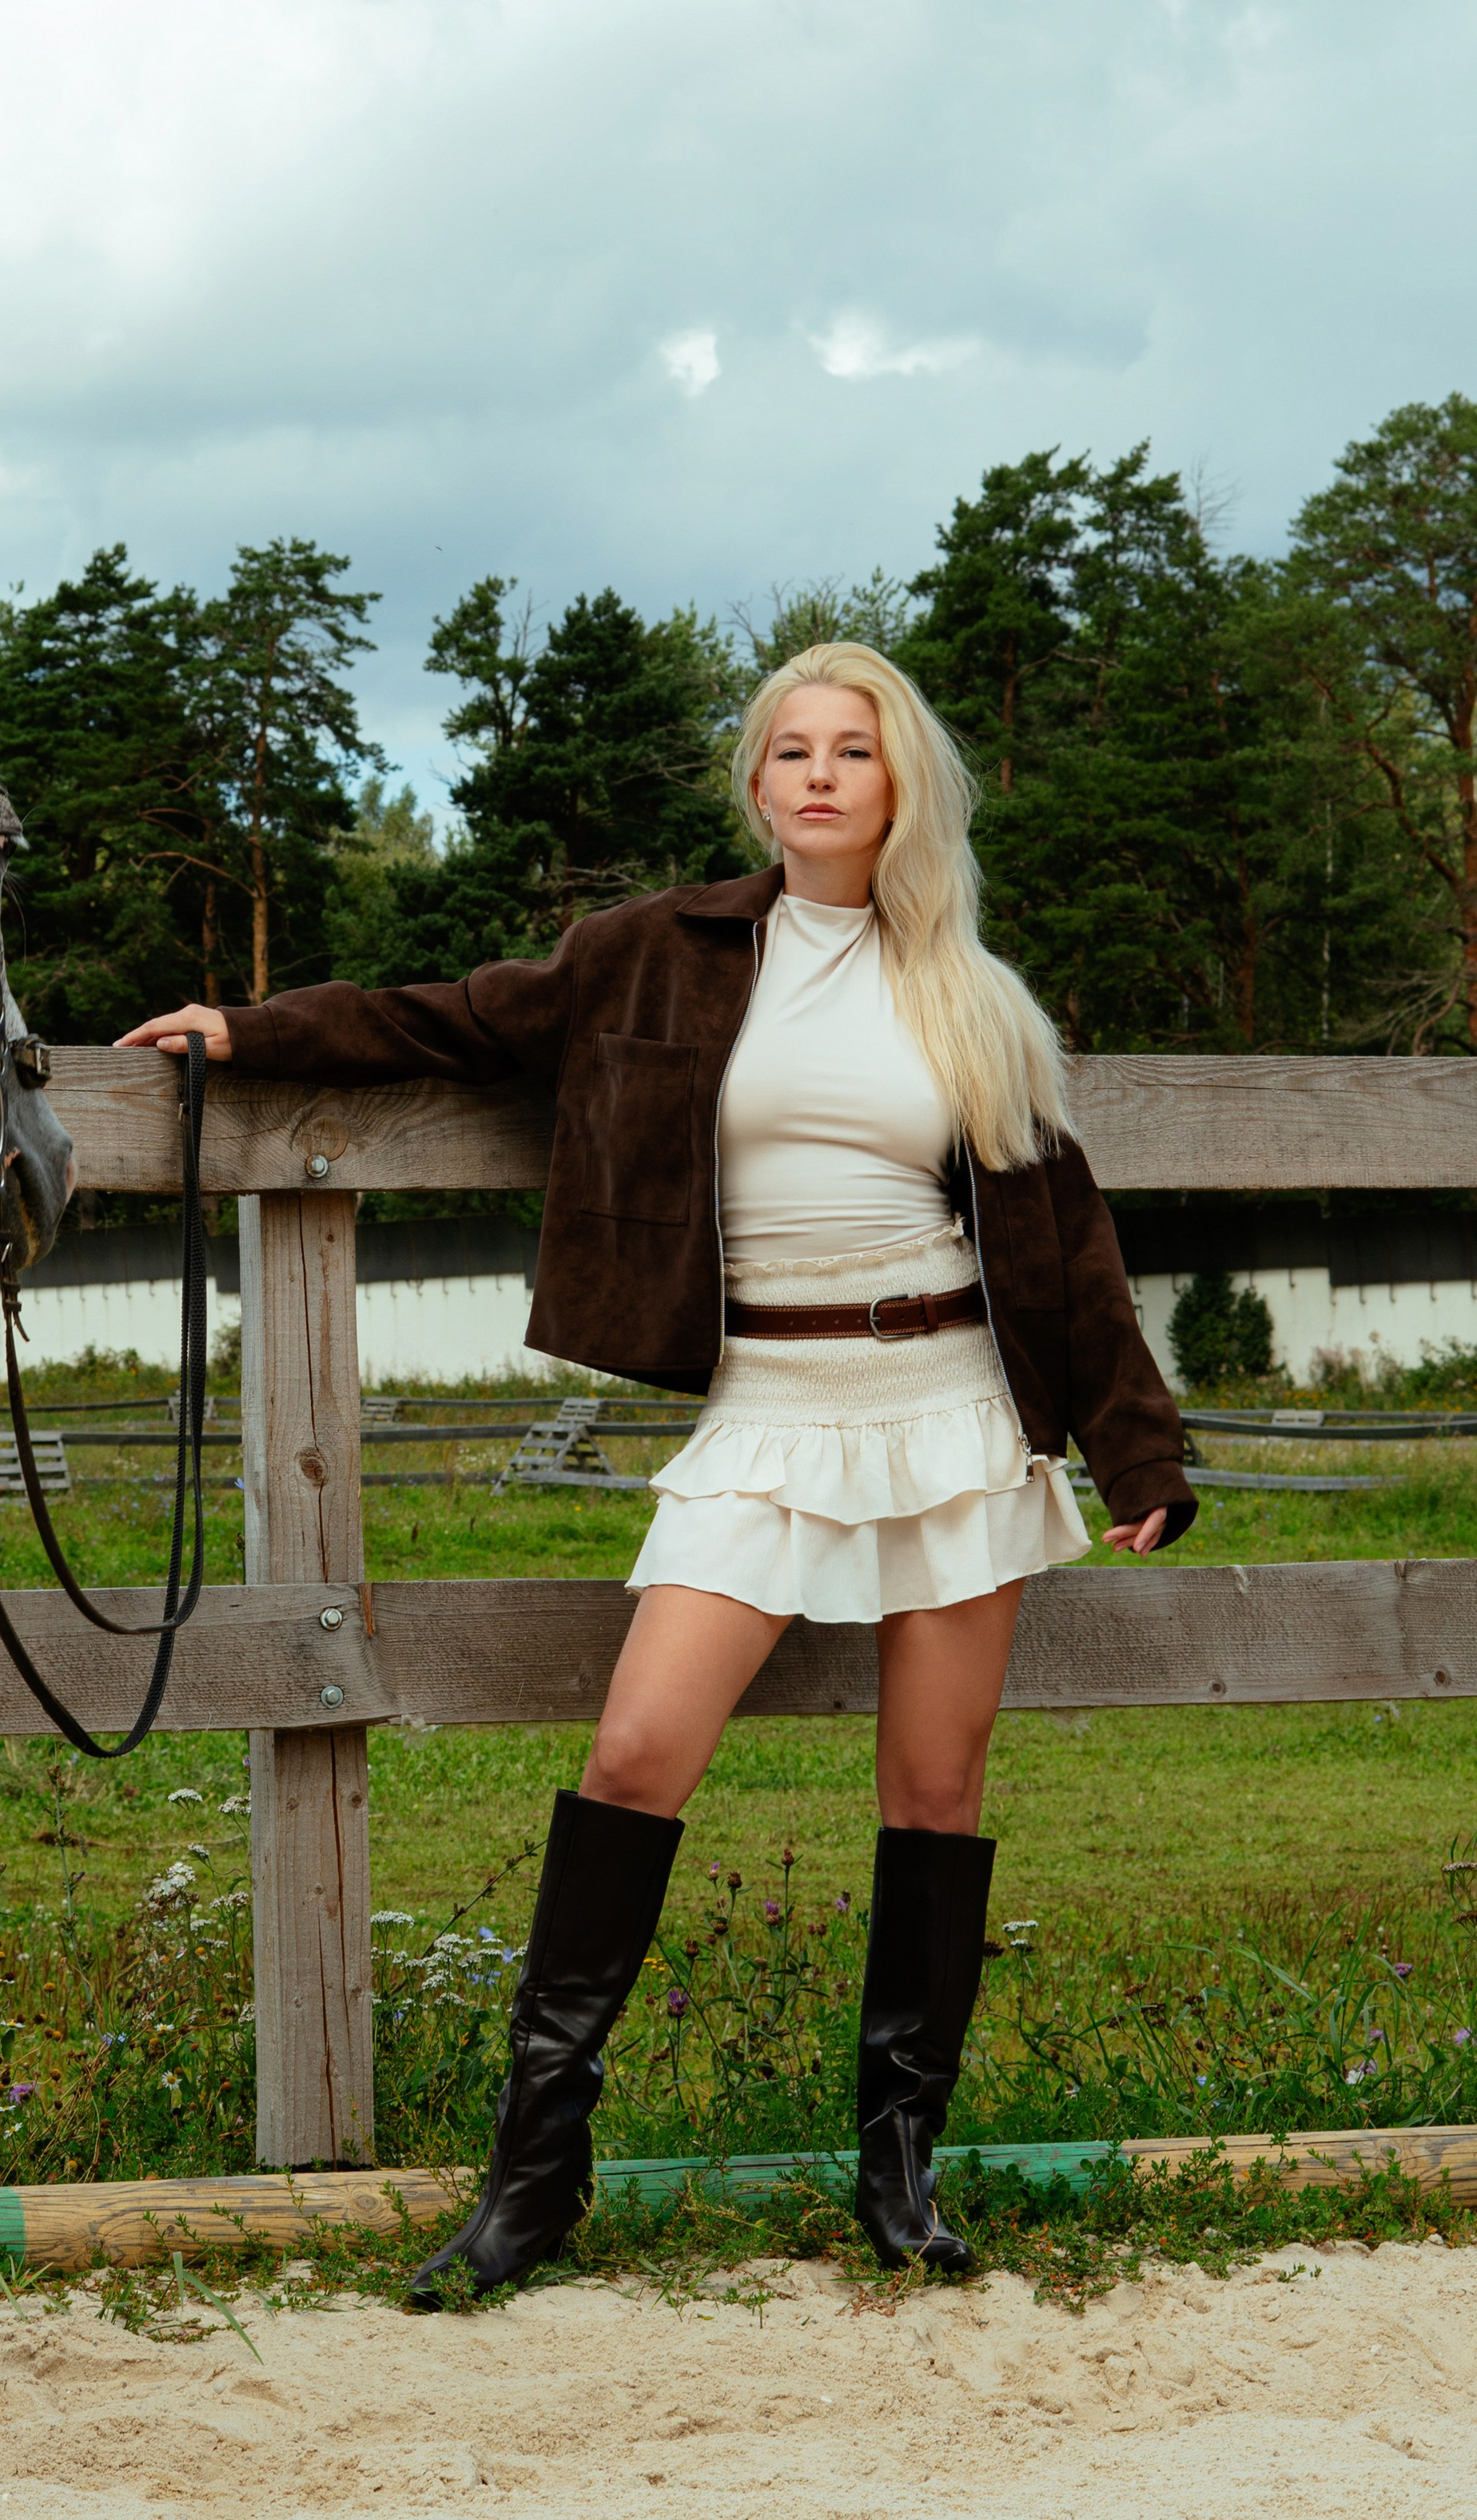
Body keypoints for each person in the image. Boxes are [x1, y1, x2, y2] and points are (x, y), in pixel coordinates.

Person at [121, 640, 1196, 2299]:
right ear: (755, 783)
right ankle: (530, 2180)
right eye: (788, 749)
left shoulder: (970, 999)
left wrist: (1137, 1442)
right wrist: (243, 1031)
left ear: (899, 783)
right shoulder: (656, 955)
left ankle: (897, 2170)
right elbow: (455, 1017)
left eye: (852, 747)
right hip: (765, 1404)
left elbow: (1063, 1249)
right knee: (632, 1751)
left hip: (948, 1413)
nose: (819, 772)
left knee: (932, 1792)